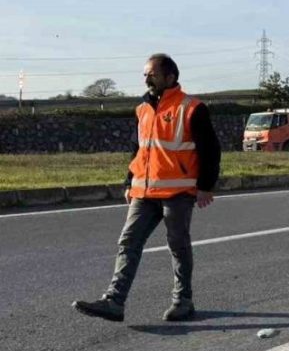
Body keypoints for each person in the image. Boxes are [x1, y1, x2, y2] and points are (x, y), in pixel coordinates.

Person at [73, 54, 221, 322]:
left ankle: (183, 301)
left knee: (178, 246)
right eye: (145, 74)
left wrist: (206, 186)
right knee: (128, 242)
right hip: (144, 191)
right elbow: (139, 148)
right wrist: (129, 181)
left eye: (151, 74)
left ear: (170, 77)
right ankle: (114, 302)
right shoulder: (142, 109)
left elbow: (210, 149)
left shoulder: (191, 107)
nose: (146, 79)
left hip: (177, 192)